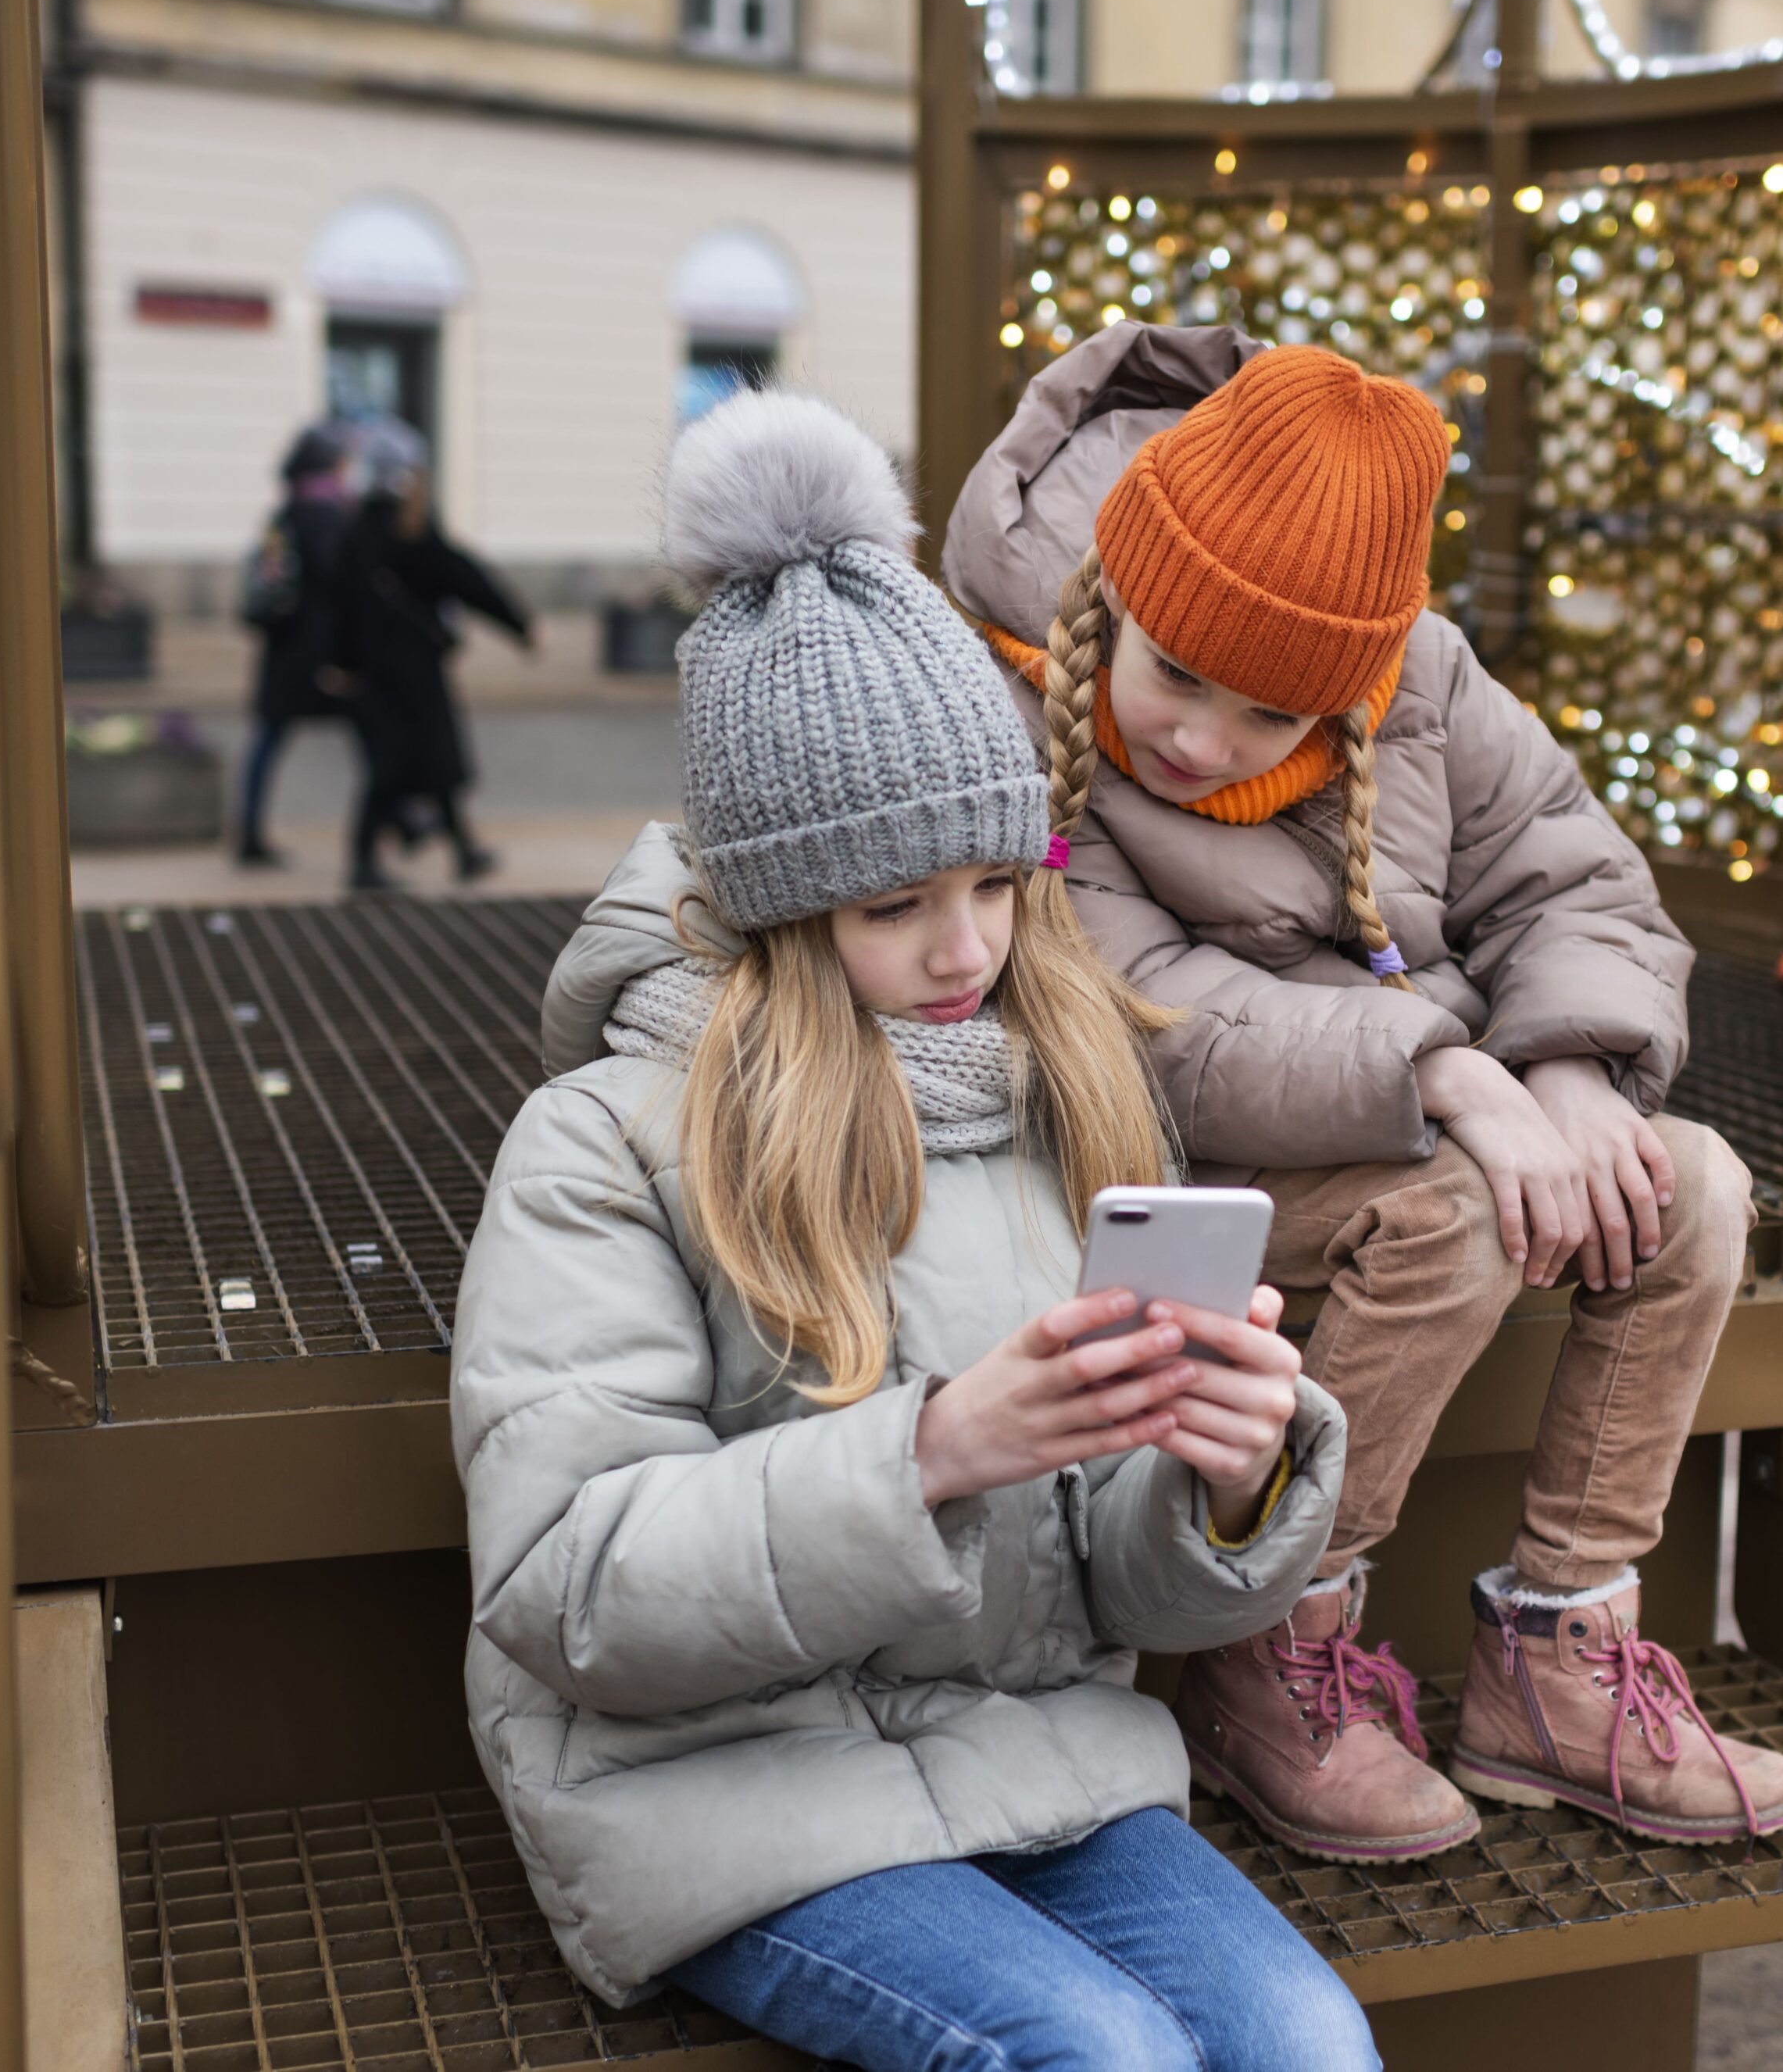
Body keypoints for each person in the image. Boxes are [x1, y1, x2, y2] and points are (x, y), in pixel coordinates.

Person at [452, 391, 1376, 2072]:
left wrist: (1222, 1478)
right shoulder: (601, 1141)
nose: (967, 948)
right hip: (716, 1790)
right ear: (781, 910)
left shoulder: (1054, 1094)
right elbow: (559, 1581)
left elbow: (1121, 1588)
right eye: (894, 906)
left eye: (997, 881)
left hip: (1034, 1753)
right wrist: (931, 1452)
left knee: (1306, 2037)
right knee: (1096, 2055)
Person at [941, 325, 1783, 1862]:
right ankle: (1268, 1635)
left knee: (1694, 1191)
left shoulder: (1417, 678)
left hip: (1414, 1110)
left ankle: (1557, 1645)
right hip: (1157, 1154)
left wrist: (1571, 1063)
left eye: (1270, 717)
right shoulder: (1010, 699)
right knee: (1456, 1217)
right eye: (1176, 676)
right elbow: (1140, 1016)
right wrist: (1448, 1072)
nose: (1201, 743)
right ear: (1117, 600)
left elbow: (1575, 870)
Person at [328, 420, 531, 890]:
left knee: (415, 764)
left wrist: (341, 666)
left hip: (375, 673)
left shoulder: (357, 532)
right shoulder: (410, 530)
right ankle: (366, 863)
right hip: (412, 670)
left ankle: (460, 850)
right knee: (402, 767)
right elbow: (465, 577)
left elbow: (337, 608)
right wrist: (517, 623)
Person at [232, 427, 356, 867]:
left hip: (282, 648)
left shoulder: (285, 512)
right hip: (316, 649)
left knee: (268, 738)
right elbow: (336, 580)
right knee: (373, 729)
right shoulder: (328, 514)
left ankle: (247, 832)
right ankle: (400, 821)